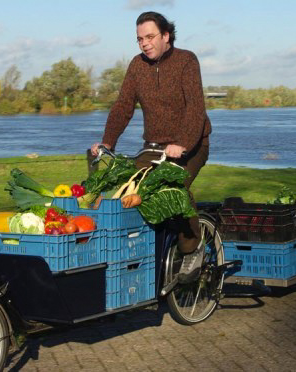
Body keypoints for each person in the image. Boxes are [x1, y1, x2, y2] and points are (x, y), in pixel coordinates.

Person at [91, 11, 211, 283]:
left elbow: (196, 108)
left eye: (149, 37)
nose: (144, 43)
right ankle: (143, 257)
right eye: (139, 39)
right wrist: (107, 141)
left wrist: (182, 142)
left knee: (172, 189)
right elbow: (123, 106)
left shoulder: (186, 61)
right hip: (153, 146)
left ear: (166, 36)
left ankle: (192, 247)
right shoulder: (136, 66)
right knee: (126, 189)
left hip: (190, 145)